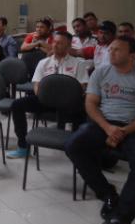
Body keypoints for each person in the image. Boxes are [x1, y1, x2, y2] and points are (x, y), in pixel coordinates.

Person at [65, 36, 135, 224]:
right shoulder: (101, 73)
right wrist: (108, 128)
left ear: (133, 55)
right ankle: (107, 193)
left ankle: (119, 219)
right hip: (103, 123)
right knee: (74, 145)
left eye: (117, 50)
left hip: (134, 128)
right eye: (111, 49)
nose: (111, 52)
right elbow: (90, 105)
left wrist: (123, 131)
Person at [7, 31, 88, 159]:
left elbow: (82, 87)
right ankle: (23, 146)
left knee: (84, 110)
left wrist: (65, 96)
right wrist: (46, 95)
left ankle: (76, 150)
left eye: (60, 43)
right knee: (17, 105)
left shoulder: (79, 63)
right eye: (54, 42)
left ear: (68, 46)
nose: (55, 45)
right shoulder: (44, 62)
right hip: (46, 101)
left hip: (70, 103)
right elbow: (37, 86)